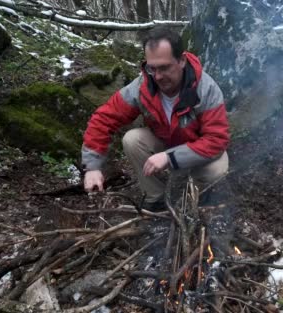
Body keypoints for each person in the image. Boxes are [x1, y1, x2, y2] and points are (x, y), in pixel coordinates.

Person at [81, 26, 230, 211]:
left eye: (165, 67)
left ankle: (194, 198)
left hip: (196, 151)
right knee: (132, 139)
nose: (158, 76)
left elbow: (216, 141)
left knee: (217, 169)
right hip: (165, 142)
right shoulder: (142, 88)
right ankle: (157, 199)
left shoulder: (206, 89)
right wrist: (92, 167)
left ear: (181, 60)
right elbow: (103, 117)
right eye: (152, 68)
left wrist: (170, 157)